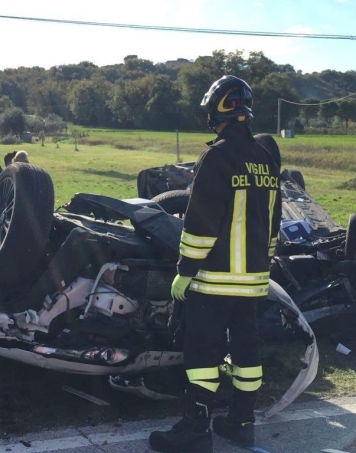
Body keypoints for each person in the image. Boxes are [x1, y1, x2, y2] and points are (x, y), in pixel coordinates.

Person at [149, 75, 281, 453]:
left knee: (203, 353)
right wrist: (262, 265)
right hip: (253, 281)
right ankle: (242, 423)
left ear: (214, 110)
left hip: (213, 280)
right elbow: (273, 223)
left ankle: (195, 430)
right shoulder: (265, 158)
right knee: (246, 352)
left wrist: (184, 270)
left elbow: (201, 223)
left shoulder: (216, 156)